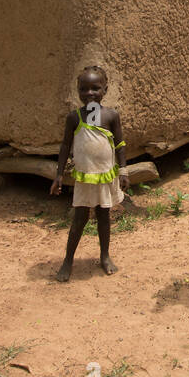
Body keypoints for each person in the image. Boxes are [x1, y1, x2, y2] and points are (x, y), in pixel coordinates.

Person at [50, 66, 129, 281]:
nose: (89, 94)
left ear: (105, 88)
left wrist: (123, 171)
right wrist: (58, 175)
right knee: (79, 219)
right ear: (77, 90)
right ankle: (67, 261)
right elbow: (66, 146)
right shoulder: (74, 118)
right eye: (84, 89)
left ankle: (104, 256)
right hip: (85, 178)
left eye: (95, 88)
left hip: (105, 176)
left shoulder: (111, 115)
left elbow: (120, 145)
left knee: (104, 216)